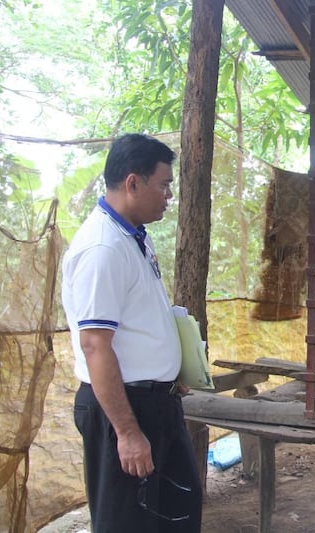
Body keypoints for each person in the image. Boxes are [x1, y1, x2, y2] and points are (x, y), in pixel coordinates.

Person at [61, 134, 202, 532]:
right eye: (164, 184)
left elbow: (137, 324)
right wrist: (127, 432)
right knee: (127, 522)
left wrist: (170, 371)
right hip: (123, 409)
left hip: (156, 402)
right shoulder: (102, 249)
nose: (169, 195)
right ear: (133, 183)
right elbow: (94, 345)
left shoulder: (134, 237)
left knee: (174, 513)